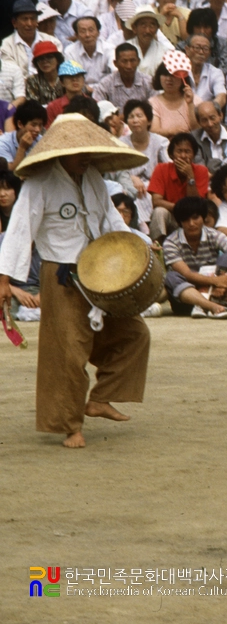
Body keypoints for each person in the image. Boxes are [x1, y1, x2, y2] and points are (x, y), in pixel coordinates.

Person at [0, 113, 151, 448]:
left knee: (135, 333)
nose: (86, 156)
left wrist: (138, 249)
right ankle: (71, 427)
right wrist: (4, 280)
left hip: (103, 272)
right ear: (62, 151)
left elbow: (113, 222)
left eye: (89, 150)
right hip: (63, 275)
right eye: (79, 150)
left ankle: (101, 397)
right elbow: (19, 230)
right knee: (67, 353)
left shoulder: (94, 178)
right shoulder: (39, 182)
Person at [161, 195, 227, 318]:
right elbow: (187, 274)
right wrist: (216, 281)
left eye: (195, 218)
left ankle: (209, 304)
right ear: (180, 222)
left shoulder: (214, 235)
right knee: (171, 276)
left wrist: (226, 281)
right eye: (186, 219)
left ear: (203, 217)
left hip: (215, 290)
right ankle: (210, 306)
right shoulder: (171, 242)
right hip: (187, 297)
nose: (191, 223)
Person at [147, 132, 209, 241]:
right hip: (172, 218)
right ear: (171, 155)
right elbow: (156, 201)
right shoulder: (161, 169)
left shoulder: (201, 171)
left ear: (193, 155)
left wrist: (190, 177)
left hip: (192, 220)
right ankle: (158, 248)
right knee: (159, 211)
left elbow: (195, 206)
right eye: (179, 151)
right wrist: (180, 209)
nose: (183, 156)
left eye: (187, 152)